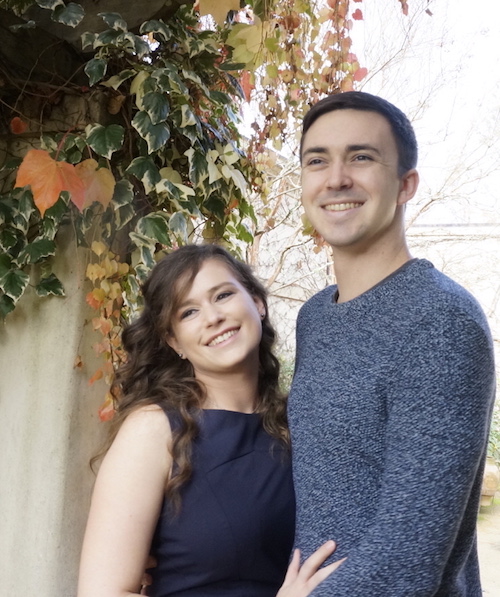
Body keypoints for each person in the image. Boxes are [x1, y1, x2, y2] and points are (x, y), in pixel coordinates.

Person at [288, 91, 496, 596]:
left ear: (405, 184)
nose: (336, 178)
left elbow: (407, 560)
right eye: (318, 160)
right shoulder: (314, 317)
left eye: (361, 157)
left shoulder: (440, 320)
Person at [77, 244, 342, 597]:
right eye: (188, 312)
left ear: (258, 304)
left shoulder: (301, 421)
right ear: (174, 342)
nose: (212, 317)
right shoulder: (153, 430)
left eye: (223, 295)